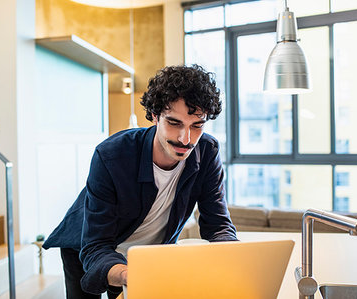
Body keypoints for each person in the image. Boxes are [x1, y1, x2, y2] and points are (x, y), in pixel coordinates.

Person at [43, 64, 237, 299]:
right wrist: (128, 274)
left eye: (196, 125)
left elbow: (218, 225)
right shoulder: (112, 156)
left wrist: (232, 259)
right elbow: (96, 245)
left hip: (148, 257)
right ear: (155, 116)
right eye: (174, 123)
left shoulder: (207, 152)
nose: (185, 139)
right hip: (88, 247)